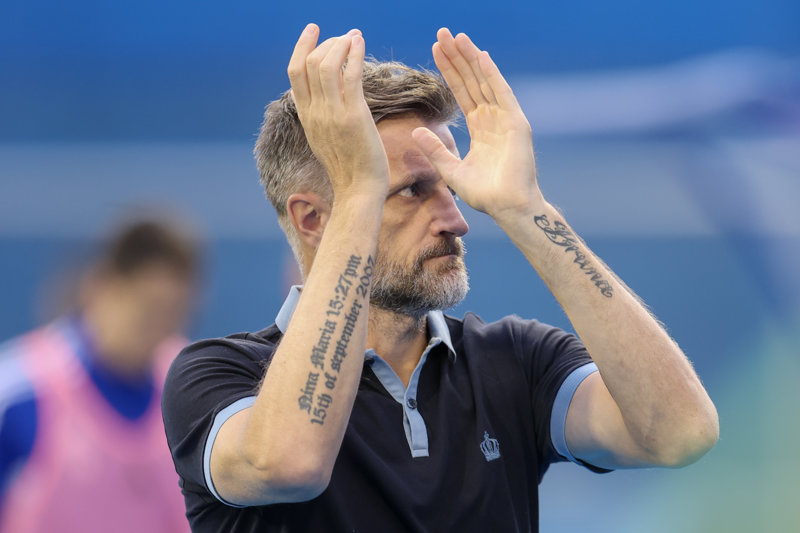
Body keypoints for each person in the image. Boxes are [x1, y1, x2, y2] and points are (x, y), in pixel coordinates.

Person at [161, 25, 719, 532]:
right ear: (313, 220)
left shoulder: (515, 359)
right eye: (411, 190)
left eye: (449, 189)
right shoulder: (217, 375)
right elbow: (290, 462)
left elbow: (680, 433)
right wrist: (358, 192)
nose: (456, 219)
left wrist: (526, 209)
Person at [0, 217, 199, 533]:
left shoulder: (192, 388)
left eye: (173, 313)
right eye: (148, 309)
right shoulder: (19, 392)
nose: (160, 329)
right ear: (104, 286)